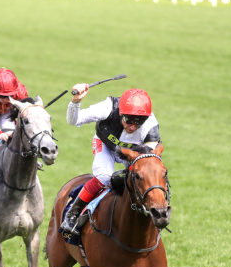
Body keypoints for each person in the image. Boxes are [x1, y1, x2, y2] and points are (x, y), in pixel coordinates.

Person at [59, 85, 161, 237]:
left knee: (143, 179)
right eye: (128, 120)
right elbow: (74, 121)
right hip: (105, 146)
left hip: (132, 154)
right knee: (105, 177)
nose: (132, 127)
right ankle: (73, 214)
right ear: (120, 113)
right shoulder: (108, 107)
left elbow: (149, 163)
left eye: (138, 122)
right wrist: (75, 102)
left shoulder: (151, 126)